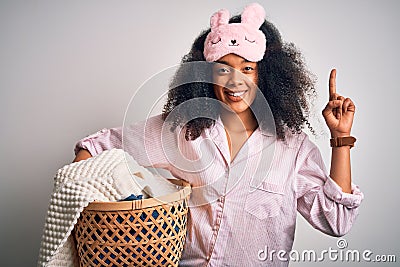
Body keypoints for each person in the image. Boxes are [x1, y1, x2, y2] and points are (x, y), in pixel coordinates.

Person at [73, 3, 363, 266]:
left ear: (267, 74)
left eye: (247, 68)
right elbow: (95, 147)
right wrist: (89, 195)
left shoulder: (293, 148)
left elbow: (336, 221)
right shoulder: (184, 130)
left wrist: (341, 140)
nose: (234, 80)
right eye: (223, 69)